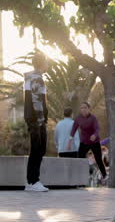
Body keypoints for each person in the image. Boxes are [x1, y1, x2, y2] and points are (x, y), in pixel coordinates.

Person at [24, 52, 50, 192]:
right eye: (46, 61)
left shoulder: (33, 77)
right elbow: (36, 101)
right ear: (41, 63)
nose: (48, 64)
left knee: (38, 149)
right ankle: (33, 181)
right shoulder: (36, 78)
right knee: (38, 148)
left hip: (34, 118)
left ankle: (31, 181)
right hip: (36, 119)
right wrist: (40, 120)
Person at [67, 102, 107, 182]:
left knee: (98, 159)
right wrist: (70, 141)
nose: (83, 109)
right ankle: (79, 177)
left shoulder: (93, 118)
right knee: (79, 159)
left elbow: (97, 128)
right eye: (82, 108)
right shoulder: (78, 118)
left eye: (85, 107)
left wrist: (95, 135)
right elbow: (74, 129)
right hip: (84, 142)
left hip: (94, 142)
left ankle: (105, 176)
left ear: (89, 109)